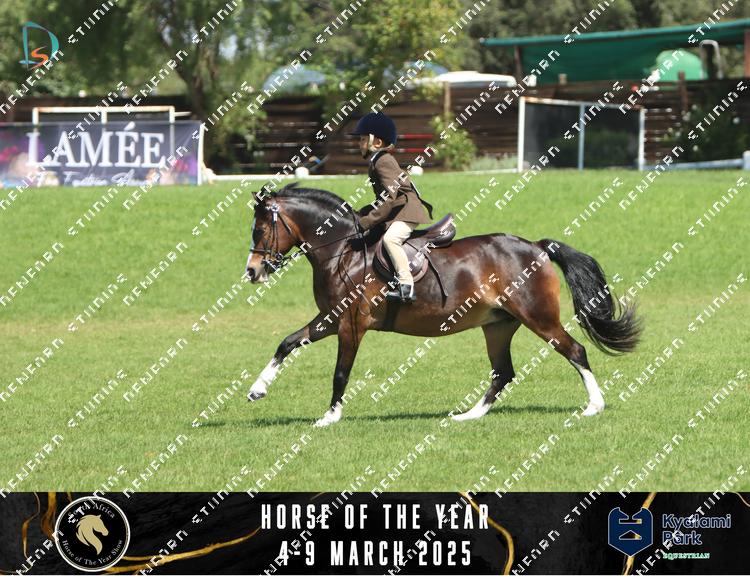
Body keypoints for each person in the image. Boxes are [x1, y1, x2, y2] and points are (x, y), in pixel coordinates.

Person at [348, 112, 434, 303]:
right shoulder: (377, 160)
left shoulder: (383, 161)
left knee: (391, 240)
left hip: (406, 211)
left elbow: (389, 198)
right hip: (398, 210)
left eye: (362, 139)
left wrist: (366, 222)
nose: (359, 143)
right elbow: (382, 199)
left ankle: (406, 286)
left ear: (377, 142)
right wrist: (364, 212)